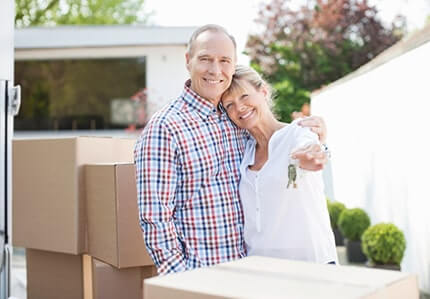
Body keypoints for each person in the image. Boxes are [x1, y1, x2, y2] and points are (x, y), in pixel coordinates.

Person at [134, 24, 330, 275]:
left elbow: (293, 146)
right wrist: (183, 282)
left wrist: (320, 143)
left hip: (252, 274)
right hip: (203, 277)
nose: (215, 70)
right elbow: (155, 218)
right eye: (205, 59)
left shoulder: (235, 121)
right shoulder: (165, 128)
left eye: (224, 60)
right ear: (188, 60)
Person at [221, 65, 338, 264]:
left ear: (264, 91)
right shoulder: (243, 152)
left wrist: (316, 153)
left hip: (312, 267)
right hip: (261, 271)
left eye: (244, 96)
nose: (239, 108)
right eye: (229, 105)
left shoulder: (298, 133)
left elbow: (312, 148)